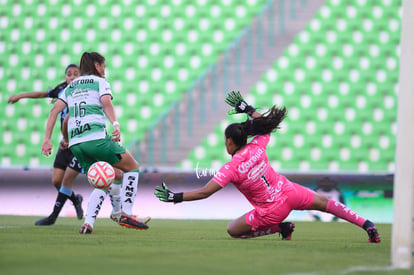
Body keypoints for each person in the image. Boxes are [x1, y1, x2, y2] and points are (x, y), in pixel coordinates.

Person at [154, 91, 381, 243]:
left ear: (230, 142)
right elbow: (264, 124)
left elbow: (205, 192)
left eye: (225, 140)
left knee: (233, 230)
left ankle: (280, 228)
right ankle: (366, 224)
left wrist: (176, 197)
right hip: (288, 190)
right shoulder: (258, 145)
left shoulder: (230, 168)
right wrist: (247, 107)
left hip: (272, 210)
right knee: (326, 204)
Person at [41, 52, 149, 234]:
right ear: (97, 66)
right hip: (96, 138)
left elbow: (55, 112)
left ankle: (88, 224)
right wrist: (115, 124)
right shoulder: (100, 82)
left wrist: (47, 139)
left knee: (104, 180)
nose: (105, 69)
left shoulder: (71, 86)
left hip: (76, 144)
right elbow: (106, 103)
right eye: (103, 66)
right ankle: (126, 213)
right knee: (132, 167)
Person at [8, 64, 84, 226]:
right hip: (65, 143)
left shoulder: (84, 92)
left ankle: (52, 217)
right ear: (65, 77)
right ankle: (75, 199)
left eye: (76, 74)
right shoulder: (61, 90)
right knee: (56, 181)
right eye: (69, 74)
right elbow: (43, 94)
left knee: (65, 182)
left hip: (79, 145)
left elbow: (71, 117)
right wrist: (21, 96)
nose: (72, 77)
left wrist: (68, 138)